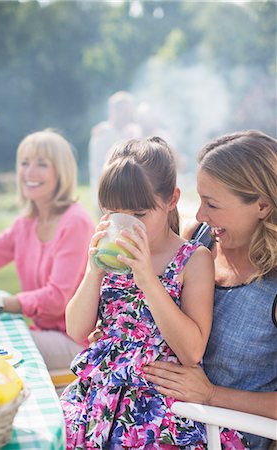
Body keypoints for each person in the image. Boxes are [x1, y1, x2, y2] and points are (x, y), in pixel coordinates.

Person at [60, 136, 248, 449]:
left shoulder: (193, 259)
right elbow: (76, 329)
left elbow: (192, 351)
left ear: (172, 199)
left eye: (139, 215)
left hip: (156, 405)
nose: (127, 225)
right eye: (113, 212)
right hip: (99, 397)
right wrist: (93, 271)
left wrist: (147, 278)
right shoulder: (108, 254)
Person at [143, 130, 277, 450]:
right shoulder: (199, 238)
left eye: (212, 204)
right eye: (200, 199)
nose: (201, 214)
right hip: (160, 414)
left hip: (224, 432)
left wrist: (210, 395)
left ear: (262, 205)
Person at [0, 129, 95, 370]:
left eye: (41, 164)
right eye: (24, 163)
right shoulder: (26, 223)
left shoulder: (76, 222)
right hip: (43, 332)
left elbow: (55, 299)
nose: (29, 172)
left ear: (61, 172)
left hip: (75, 341)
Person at [88, 91, 141, 216]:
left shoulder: (135, 132)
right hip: (107, 192)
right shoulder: (102, 134)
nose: (126, 114)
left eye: (128, 110)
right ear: (113, 111)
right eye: (122, 110)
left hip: (131, 194)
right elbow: (98, 166)